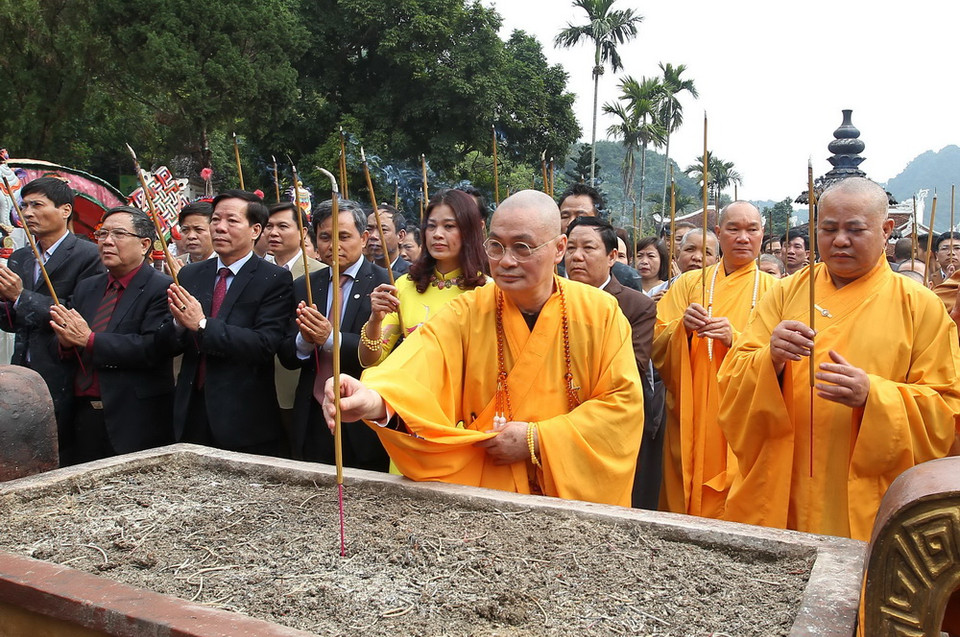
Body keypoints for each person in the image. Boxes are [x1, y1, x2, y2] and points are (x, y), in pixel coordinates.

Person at [323, 190, 644, 506]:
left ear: (559, 248)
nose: (506, 261)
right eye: (496, 246)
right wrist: (373, 399)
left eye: (522, 247)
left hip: (570, 498)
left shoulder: (599, 313)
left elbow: (622, 406)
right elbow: (417, 367)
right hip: (487, 491)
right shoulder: (468, 311)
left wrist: (537, 439)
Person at [717, 178, 960, 541]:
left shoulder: (920, 305)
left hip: (865, 493)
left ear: (886, 230)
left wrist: (874, 396)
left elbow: (946, 408)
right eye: (829, 229)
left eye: (855, 230)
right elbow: (732, 378)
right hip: (783, 480)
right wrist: (771, 360)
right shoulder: (785, 293)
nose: (840, 240)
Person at [653, 202, 776, 519]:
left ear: (762, 234)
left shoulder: (778, 290)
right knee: (684, 487)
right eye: (734, 229)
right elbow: (657, 341)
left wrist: (734, 338)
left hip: (746, 413)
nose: (743, 237)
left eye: (752, 229)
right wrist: (683, 330)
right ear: (719, 233)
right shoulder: (689, 284)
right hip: (692, 408)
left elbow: (786, 358)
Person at [163, 190, 294, 455]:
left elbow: (264, 344)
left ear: (255, 230)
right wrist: (178, 324)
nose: (220, 227)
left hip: (242, 414)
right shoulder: (190, 274)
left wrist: (202, 324)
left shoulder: (273, 278)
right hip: (190, 407)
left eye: (231, 221)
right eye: (215, 219)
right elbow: (170, 340)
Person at [50, 206, 173, 463]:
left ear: (144, 244)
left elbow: (153, 347)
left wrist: (90, 340)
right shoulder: (87, 287)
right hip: (81, 412)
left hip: (133, 416)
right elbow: (72, 341)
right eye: (102, 233)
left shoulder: (162, 288)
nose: (107, 241)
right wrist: (66, 342)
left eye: (118, 234)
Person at [278, 199, 391, 468]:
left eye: (344, 236)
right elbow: (286, 354)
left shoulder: (386, 282)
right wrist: (304, 340)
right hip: (312, 411)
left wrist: (330, 338)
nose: (333, 245)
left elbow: (388, 354)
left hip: (361, 414)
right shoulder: (305, 285)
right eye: (325, 237)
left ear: (364, 238)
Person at [0, 177, 103, 463]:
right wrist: (7, 302)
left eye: (37, 205)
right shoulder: (21, 257)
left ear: (65, 210)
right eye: (24, 206)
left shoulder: (88, 255)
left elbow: (76, 316)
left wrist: (20, 296)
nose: (28, 213)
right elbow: (11, 322)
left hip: (65, 370)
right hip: (23, 368)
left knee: (63, 451)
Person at [564, 215, 658, 508]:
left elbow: (634, 366)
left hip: (609, 423)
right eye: (570, 248)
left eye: (588, 248)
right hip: (555, 420)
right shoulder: (550, 297)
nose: (577, 256)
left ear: (612, 256)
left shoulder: (636, 305)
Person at [359, 189, 488, 368]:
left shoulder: (487, 290)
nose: (437, 234)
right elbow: (370, 360)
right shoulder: (405, 285)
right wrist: (375, 320)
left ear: (469, 231)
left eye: (449, 226)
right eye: (431, 226)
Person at [264, 202, 326, 455]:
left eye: (282, 226)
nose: (273, 233)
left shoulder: (319, 274)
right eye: (269, 226)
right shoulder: (257, 271)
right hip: (256, 381)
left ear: (303, 232)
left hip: (295, 381)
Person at [556, 183, 644, 292]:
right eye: (565, 216)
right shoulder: (547, 269)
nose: (571, 222)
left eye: (580, 217)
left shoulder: (625, 277)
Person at [647, 229, 719, 298]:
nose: (697, 257)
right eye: (690, 250)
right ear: (678, 254)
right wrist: (651, 305)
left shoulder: (722, 293)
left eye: (707, 253)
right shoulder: (656, 292)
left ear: (717, 260)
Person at [365, 204, 410, 276]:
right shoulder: (360, 273)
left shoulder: (411, 275)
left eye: (383, 230)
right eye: (369, 229)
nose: (373, 236)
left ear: (400, 236)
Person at [174, 200, 214, 269]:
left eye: (198, 230)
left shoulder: (225, 265)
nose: (191, 236)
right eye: (185, 230)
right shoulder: (173, 265)